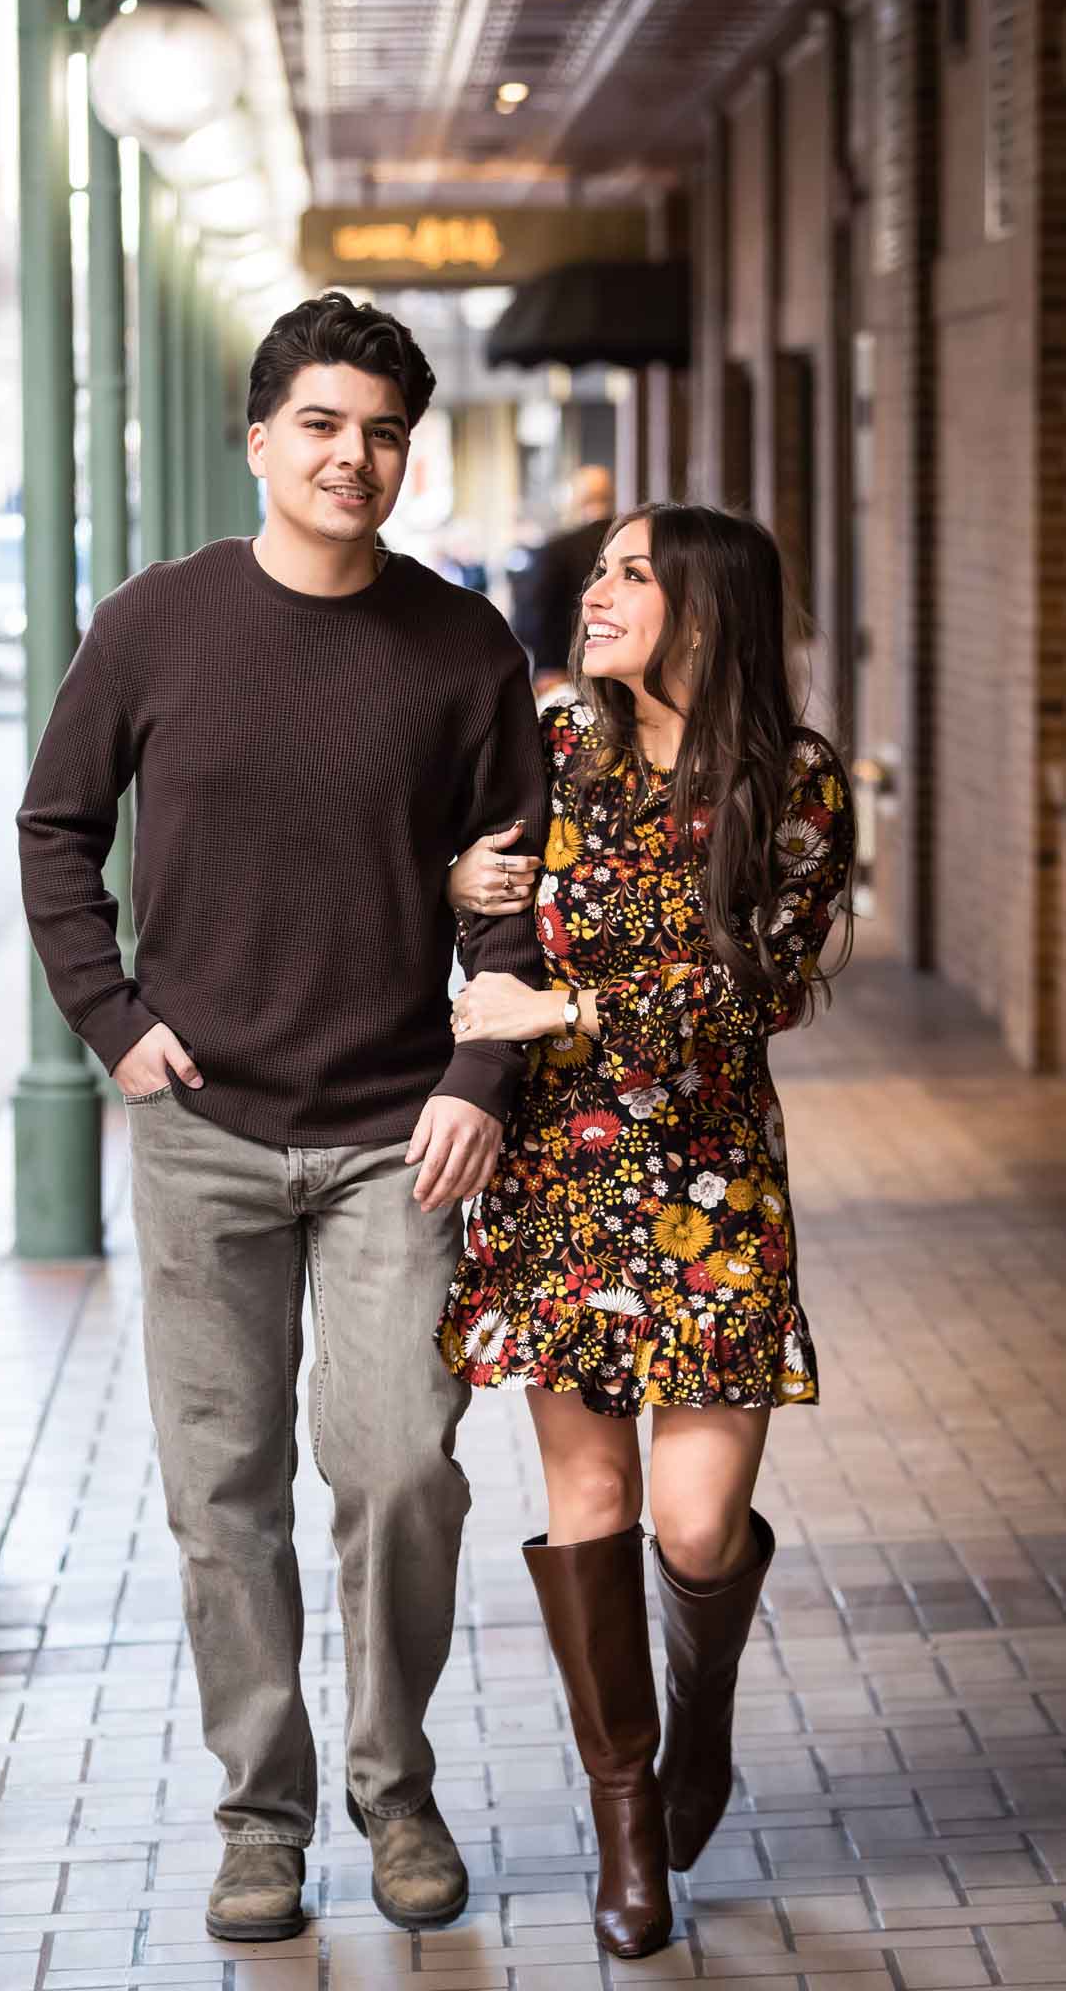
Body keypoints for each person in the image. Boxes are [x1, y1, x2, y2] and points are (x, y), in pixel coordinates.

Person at [17, 293, 546, 1943]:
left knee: (401, 1472)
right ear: (260, 440)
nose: (351, 458)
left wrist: (476, 1076)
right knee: (221, 1495)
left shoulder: (463, 648)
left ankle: (397, 1791)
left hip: (398, 1131)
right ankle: (261, 1819)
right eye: (320, 425)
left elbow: (513, 897)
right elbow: (54, 828)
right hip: (204, 1129)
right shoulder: (155, 626)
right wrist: (112, 1024)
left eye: (382, 433)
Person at [438, 502, 855, 1961]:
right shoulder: (554, 743)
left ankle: (705, 1713)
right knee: (594, 1496)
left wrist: (563, 1007)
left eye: (632, 575)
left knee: (694, 1524)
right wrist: (456, 885)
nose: (596, 593)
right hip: (559, 1176)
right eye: (601, 571)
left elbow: (754, 993)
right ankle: (626, 1824)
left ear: (705, 606)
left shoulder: (795, 782)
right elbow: (481, 903)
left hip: (713, 1185)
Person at [516, 464, 616, 682]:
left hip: (565, 671)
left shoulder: (557, 550)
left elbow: (533, 616)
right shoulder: (632, 544)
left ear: (576, 499)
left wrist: (547, 665)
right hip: (620, 669)